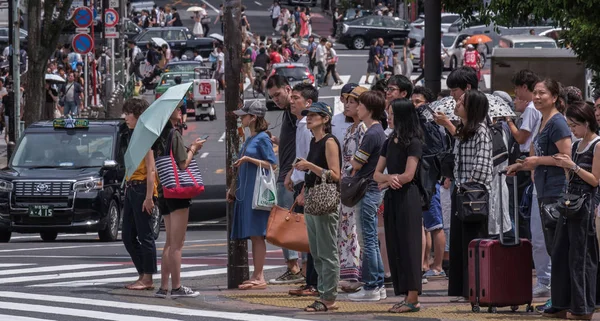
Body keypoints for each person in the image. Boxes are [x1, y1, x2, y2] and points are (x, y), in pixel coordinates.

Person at [506, 78, 573, 314]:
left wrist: (536, 161)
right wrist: (523, 166)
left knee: (558, 248)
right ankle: (559, 299)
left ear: (554, 97)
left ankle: (561, 300)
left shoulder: (558, 123)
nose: (536, 97)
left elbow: (566, 158)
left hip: (557, 192)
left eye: (542, 93)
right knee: (551, 246)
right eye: (534, 93)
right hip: (543, 191)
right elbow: (540, 158)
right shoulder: (544, 122)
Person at [546, 101, 599, 320]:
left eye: (575, 125)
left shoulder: (597, 145)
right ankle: (561, 303)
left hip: (585, 206)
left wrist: (573, 166)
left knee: (581, 257)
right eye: (570, 125)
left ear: (587, 123)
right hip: (570, 204)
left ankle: (583, 308)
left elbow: (595, 180)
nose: (572, 130)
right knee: (561, 254)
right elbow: (573, 178)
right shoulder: (576, 145)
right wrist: (566, 168)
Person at [374, 98, 423, 313]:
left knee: (409, 245)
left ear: (402, 116)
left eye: (392, 113)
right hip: (392, 196)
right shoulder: (389, 141)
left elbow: (409, 174)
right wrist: (390, 178)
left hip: (408, 196)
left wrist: (391, 179)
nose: (389, 117)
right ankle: (406, 296)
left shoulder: (413, 142)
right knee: (395, 245)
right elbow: (376, 173)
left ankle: (413, 298)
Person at [153, 107, 206, 298]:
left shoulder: (158, 135)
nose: (180, 111)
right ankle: (176, 287)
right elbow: (183, 164)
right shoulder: (173, 134)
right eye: (176, 108)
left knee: (168, 242)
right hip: (178, 192)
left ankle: (163, 287)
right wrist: (193, 148)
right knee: (177, 243)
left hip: (164, 190)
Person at [294, 101, 342, 312]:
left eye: (314, 115)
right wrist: (304, 189)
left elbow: (335, 175)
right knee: (316, 251)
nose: (309, 118)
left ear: (325, 119)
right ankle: (323, 293)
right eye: (308, 115)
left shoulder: (329, 142)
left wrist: (309, 166)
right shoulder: (315, 142)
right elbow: (314, 174)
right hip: (313, 199)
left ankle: (329, 297)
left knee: (327, 250)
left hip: (326, 200)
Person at [448, 90, 493, 301]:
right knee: (460, 242)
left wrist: (467, 187)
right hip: (462, 193)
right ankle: (464, 289)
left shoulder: (481, 131)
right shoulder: (463, 129)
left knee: (473, 242)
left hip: (474, 196)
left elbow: (482, 167)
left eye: (461, 102)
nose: (457, 104)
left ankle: (475, 289)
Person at [228, 101, 278, 290]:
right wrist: (233, 189)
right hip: (246, 191)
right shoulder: (251, 138)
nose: (241, 119)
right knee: (254, 234)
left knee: (257, 234)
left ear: (253, 117)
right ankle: (257, 275)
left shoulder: (262, 138)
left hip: (255, 192)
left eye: (244, 116)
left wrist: (249, 159)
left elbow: (271, 164)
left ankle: (259, 276)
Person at [265, 75, 305, 285]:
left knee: (287, 221)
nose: (276, 100)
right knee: (296, 221)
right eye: (272, 97)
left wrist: (290, 172)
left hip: (291, 175)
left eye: (278, 95)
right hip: (290, 173)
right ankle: (300, 269)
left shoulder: (295, 112)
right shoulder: (289, 114)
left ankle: (295, 268)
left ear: (288, 90)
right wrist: (279, 140)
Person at [348, 91, 388, 302]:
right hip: (373, 190)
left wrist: (351, 163)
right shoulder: (379, 131)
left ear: (369, 109)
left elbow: (356, 164)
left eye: (360, 105)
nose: (357, 108)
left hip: (366, 190)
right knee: (370, 239)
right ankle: (377, 283)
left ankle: (372, 285)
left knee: (368, 241)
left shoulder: (372, 133)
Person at [122, 98, 158, 291]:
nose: (125, 117)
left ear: (139, 116)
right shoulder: (133, 135)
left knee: (145, 235)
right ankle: (143, 273)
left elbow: (151, 169)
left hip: (142, 188)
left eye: (129, 113)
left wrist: (149, 197)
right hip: (131, 187)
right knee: (127, 235)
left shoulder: (145, 136)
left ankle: (148, 277)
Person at [338, 86, 368, 291]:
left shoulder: (363, 129)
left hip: (356, 184)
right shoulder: (350, 129)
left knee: (355, 230)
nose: (347, 105)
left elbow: (363, 159)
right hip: (346, 184)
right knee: (346, 229)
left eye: (352, 102)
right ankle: (348, 272)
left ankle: (357, 274)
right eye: (346, 101)